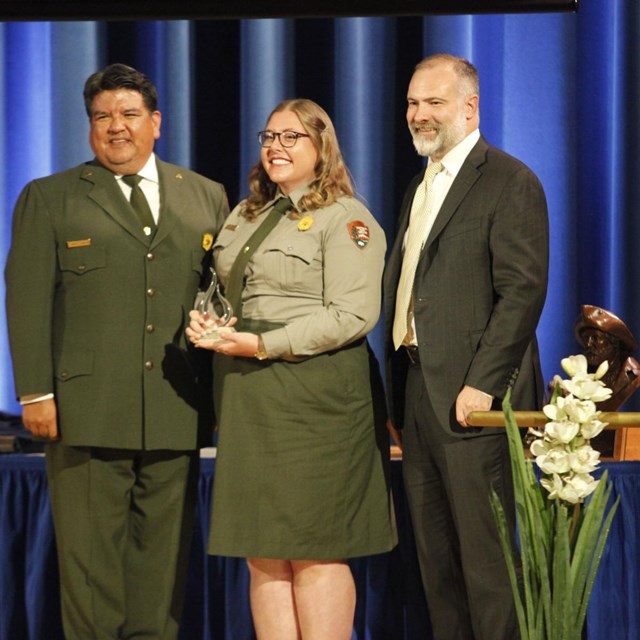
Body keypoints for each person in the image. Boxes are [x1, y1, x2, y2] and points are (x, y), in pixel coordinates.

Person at [4, 63, 228, 639]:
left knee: (162, 575)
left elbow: (223, 299)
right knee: (91, 578)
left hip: (176, 410)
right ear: (89, 130)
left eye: (128, 115)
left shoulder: (205, 195)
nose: (115, 127)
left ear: (156, 123)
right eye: (102, 117)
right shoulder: (49, 197)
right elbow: (26, 302)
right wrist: (35, 392)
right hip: (84, 414)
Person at [187, 98, 396, 640]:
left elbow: (352, 315)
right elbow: (227, 290)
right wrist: (208, 322)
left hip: (317, 399)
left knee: (314, 549)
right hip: (249, 394)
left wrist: (259, 343)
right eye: (269, 137)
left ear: (320, 147)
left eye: (291, 138)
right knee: (263, 549)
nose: (275, 147)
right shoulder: (246, 212)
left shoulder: (346, 218)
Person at [383, 53, 549, 640]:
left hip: (473, 403)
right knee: (438, 566)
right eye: (412, 102)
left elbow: (522, 293)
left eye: (434, 102)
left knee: (487, 567)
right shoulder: (419, 184)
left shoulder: (509, 180)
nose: (418, 114)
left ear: (470, 107)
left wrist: (482, 384)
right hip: (419, 396)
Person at [575, 304, 640, 411]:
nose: (589, 344)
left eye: (596, 338)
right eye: (586, 338)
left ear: (613, 341)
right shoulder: (581, 377)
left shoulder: (632, 375)